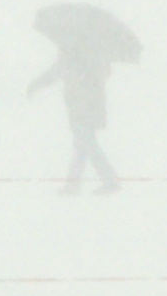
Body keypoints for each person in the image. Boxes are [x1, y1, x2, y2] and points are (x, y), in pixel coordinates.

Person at [28, 44, 121, 195]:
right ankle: (74, 183)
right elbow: (59, 71)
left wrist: (37, 84)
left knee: (86, 141)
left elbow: (55, 72)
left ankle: (109, 181)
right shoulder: (92, 50)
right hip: (85, 103)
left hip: (83, 104)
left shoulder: (74, 50)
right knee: (82, 142)